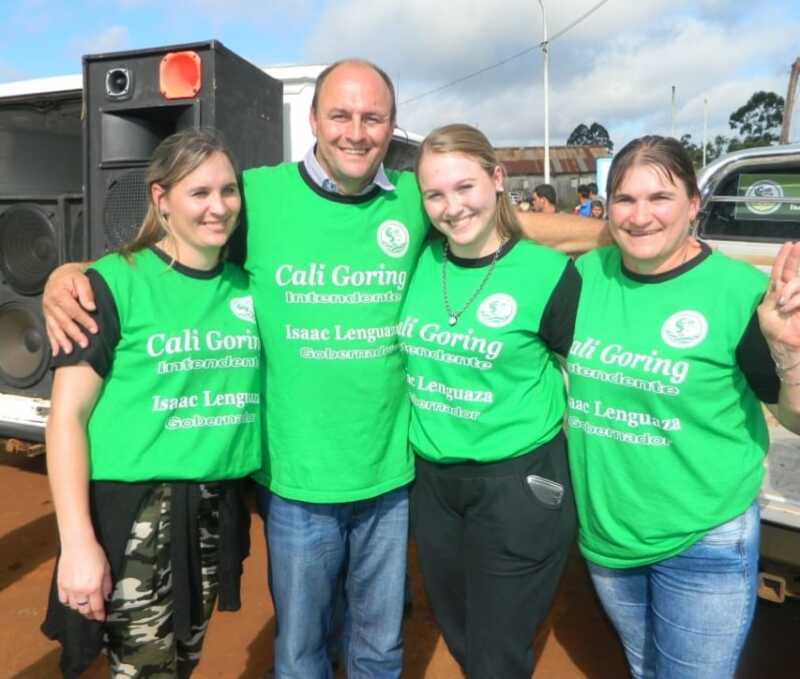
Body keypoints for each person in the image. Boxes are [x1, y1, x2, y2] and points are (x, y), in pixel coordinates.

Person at [41, 60, 608, 678]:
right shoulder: (253, 196)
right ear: (314, 120)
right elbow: (172, 237)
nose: (356, 132)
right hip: (295, 483)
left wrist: (622, 231)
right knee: (301, 650)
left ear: (392, 126)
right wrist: (68, 273)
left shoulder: (415, 201)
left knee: (380, 646)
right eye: (340, 115)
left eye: (374, 118)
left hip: (390, 478)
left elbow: (510, 225)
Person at [566, 135, 800, 678]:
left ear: (694, 205)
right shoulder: (585, 276)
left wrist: (789, 354)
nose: (640, 215)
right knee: (645, 668)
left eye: (660, 198)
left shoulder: (740, 294)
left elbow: (793, 417)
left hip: (704, 536)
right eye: (625, 199)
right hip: (609, 535)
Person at [41, 129, 261, 678]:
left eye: (229, 191)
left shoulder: (247, 288)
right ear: (161, 200)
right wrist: (76, 543)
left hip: (212, 510)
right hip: (134, 515)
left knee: (183, 662)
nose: (219, 207)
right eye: (200, 193)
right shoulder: (108, 286)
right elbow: (66, 418)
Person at [400, 123, 578, 678]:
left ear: (497, 179)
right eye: (435, 193)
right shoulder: (418, 263)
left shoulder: (548, 274)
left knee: (496, 652)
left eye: (465, 187)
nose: (452, 207)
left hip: (519, 484)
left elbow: (595, 374)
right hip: (434, 485)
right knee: (459, 633)